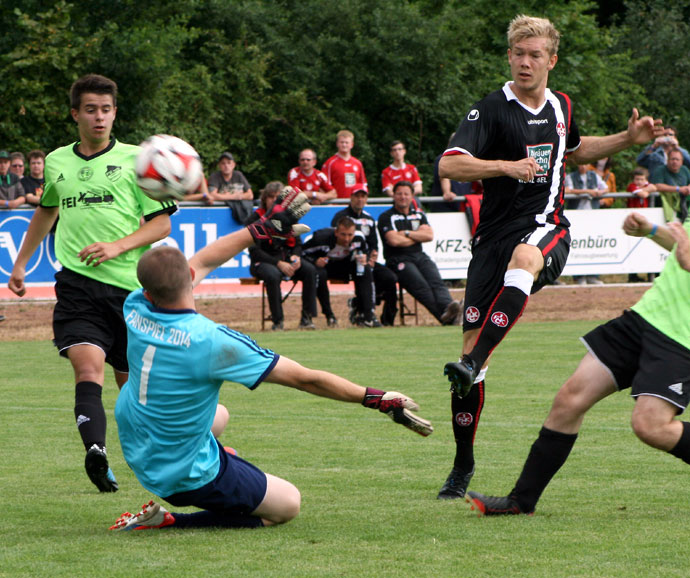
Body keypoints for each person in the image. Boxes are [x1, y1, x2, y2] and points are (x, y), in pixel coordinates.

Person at [464, 97, 690, 518]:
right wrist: (652, 230)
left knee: (650, 426)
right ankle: (522, 502)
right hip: (648, 314)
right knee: (569, 399)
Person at [437, 14, 662, 500]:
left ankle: (474, 360)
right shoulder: (492, 109)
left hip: (546, 229)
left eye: (534, 54)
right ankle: (462, 464)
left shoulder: (561, 105)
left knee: (526, 257)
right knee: (465, 366)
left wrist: (627, 139)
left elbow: (576, 152)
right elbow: (448, 163)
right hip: (489, 241)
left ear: (551, 60)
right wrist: (504, 166)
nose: (525, 62)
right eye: (518, 53)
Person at [109, 245, 431, 531]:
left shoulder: (135, 304)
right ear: (190, 276)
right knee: (288, 504)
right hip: (178, 473)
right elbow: (305, 379)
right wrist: (373, 397)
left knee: (220, 415)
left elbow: (204, 259)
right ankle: (169, 520)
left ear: (148, 291)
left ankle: (217, 456)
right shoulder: (211, 340)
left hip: (137, 439)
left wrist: (257, 230)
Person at [6, 74, 176, 492]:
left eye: (106, 110)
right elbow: (47, 211)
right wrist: (21, 263)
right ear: (75, 114)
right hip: (77, 287)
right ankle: (96, 451)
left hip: (130, 292)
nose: (99, 118)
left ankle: (159, 455)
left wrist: (119, 246)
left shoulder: (139, 161)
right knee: (88, 367)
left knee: (130, 387)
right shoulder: (58, 161)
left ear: (115, 113)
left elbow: (162, 223)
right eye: (90, 110)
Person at [378, 181, 461, 325]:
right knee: (421, 287)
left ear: (412, 196)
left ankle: (450, 308)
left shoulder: (418, 214)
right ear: (394, 196)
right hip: (398, 259)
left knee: (437, 282)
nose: (402, 197)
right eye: (399, 194)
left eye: (406, 194)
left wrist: (407, 233)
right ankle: (448, 317)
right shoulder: (386, 216)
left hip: (419, 256)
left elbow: (429, 236)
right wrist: (417, 237)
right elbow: (394, 241)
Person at [245, 182, 318, 330]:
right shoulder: (254, 219)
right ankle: (278, 321)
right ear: (264, 199)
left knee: (310, 270)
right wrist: (278, 263)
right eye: (270, 197)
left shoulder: (288, 218)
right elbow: (254, 251)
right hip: (263, 260)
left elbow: (297, 243)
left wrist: (296, 257)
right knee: (272, 275)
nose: (273, 200)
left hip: (287, 257)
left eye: (277, 197)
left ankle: (307, 318)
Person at [331, 188, 399, 326]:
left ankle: (388, 320)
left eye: (363, 196)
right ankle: (367, 313)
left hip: (365, 259)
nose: (360, 199)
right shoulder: (340, 217)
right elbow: (335, 242)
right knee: (363, 272)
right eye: (357, 196)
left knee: (390, 278)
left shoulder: (368, 219)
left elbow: (374, 243)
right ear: (351, 197)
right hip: (345, 261)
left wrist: (372, 257)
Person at [303, 217, 382, 328]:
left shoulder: (359, 239)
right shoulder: (321, 239)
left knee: (365, 269)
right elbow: (302, 253)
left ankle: (367, 315)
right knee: (320, 274)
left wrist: (365, 258)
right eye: (343, 234)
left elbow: (365, 252)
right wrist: (315, 260)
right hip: (325, 266)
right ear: (336, 232)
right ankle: (329, 315)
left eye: (350, 235)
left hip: (345, 266)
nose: (346, 239)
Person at [625, 167, 657, 282]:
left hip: (644, 220)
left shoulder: (644, 185)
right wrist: (646, 190)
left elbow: (654, 187)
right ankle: (632, 275)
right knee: (632, 247)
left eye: (641, 179)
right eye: (637, 179)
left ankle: (650, 274)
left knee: (647, 246)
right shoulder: (632, 187)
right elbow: (644, 195)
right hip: (633, 220)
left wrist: (646, 189)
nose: (639, 182)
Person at [650, 148, 690, 222]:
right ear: (667, 160)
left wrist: (689, 188)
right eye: (672, 159)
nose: (674, 162)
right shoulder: (660, 170)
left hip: (683, 206)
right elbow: (657, 186)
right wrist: (678, 189)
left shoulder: (684, 169)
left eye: (677, 159)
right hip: (662, 208)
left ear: (681, 161)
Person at [208, 151, 254, 223]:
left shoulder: (239, 175)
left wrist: (227, 196)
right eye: (223, 163)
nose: (226, 166)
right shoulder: (215, 176)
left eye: (229, 163)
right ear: (219, 165)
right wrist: (234, 196)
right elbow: (212, 195)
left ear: (233, 165)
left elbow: (250, 195)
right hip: (219, 216)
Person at [321, 130, 367, 199]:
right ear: (337, 144)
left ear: (352, 144)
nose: (344, 145)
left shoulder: (357, 163)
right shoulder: (329, 163)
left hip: (354, 204)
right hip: (336, 204)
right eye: (342, 142)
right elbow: (323, 186)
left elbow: (363, 185)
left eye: (347, 142)